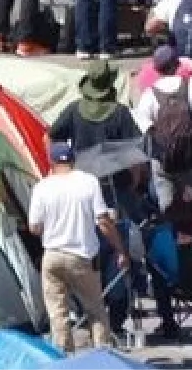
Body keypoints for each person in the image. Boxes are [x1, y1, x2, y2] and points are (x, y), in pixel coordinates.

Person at [26, 136, 130, 351]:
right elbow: (103, 222)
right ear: (73, 160)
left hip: (52, 255)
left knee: (58, 315)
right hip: (81, 256)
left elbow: (34, 227)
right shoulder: (88, 182)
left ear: (51, 162)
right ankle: (102, 355)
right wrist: (120, 250)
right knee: (95, 310)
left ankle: (63, 358)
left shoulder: (42, 187)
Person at [134, 43, 192, 209]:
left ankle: (172, 224)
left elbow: (145, 128)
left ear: (156, 69)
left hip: (163, 159)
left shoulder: (149, 95)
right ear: (177, 64)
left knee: (168, 206)